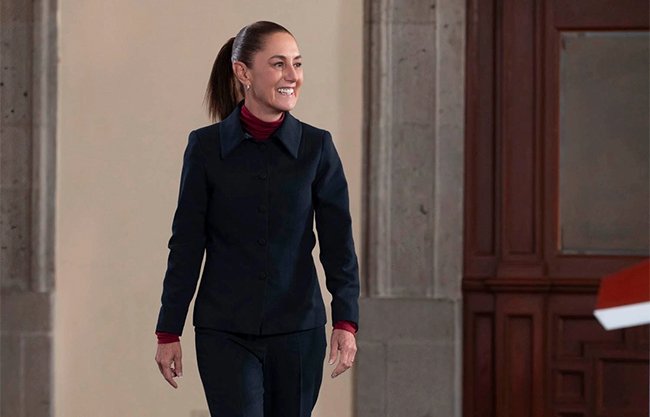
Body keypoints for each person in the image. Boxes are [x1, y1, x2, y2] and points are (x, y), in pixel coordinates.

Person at [154, 21, 360, 417]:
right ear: (243, 72)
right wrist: (169, 329)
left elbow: (339, 245)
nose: (292, 76)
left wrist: (346, 321)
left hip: (299, 331)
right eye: (278, 64)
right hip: (224, 332)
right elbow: (186, 245)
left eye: (297, 64)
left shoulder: (317, 147)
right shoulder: (205, 148)